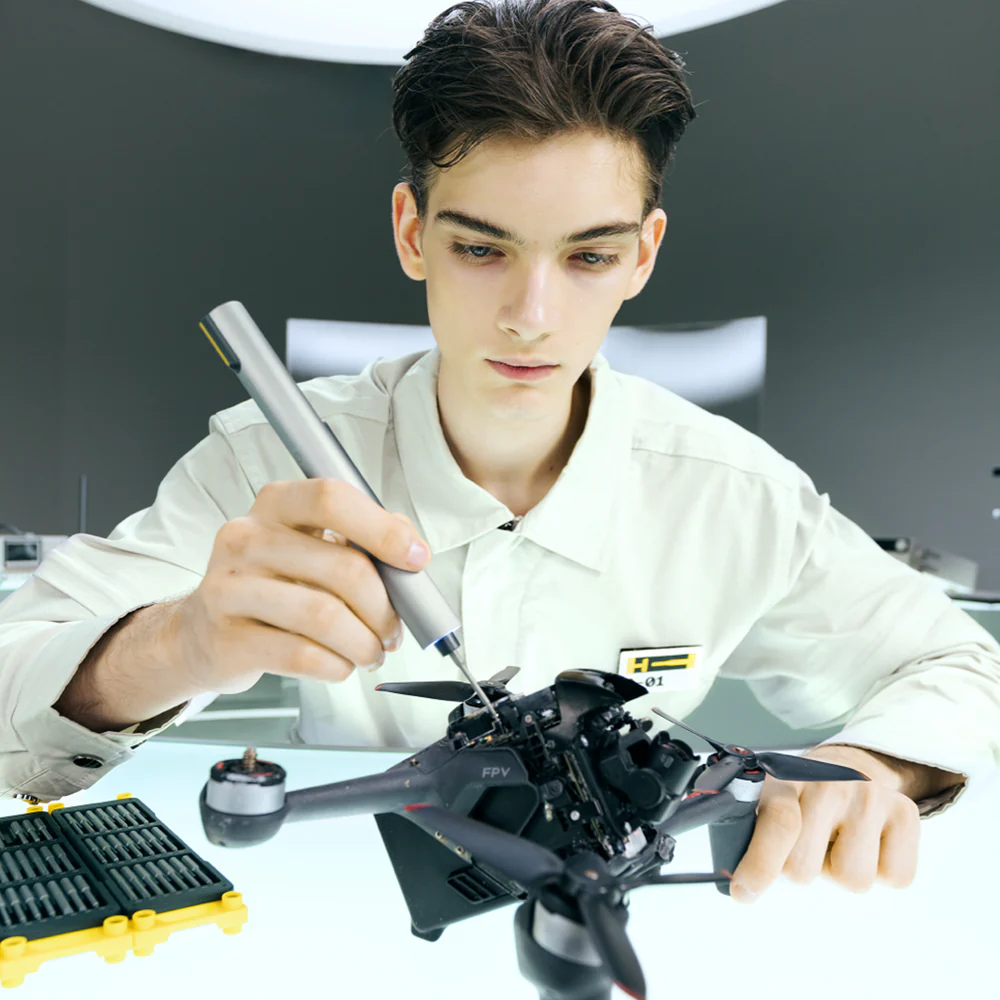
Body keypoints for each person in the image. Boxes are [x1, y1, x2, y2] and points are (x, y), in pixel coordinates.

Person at [1, 0, 998, 907]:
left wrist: (871, 766)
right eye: (482, 248)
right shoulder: (268, 462)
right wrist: (177, 642)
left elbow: (965, 665)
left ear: (643, 255)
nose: (531, 315)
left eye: (590, 255)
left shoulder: (735, 495)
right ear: (412, 233)